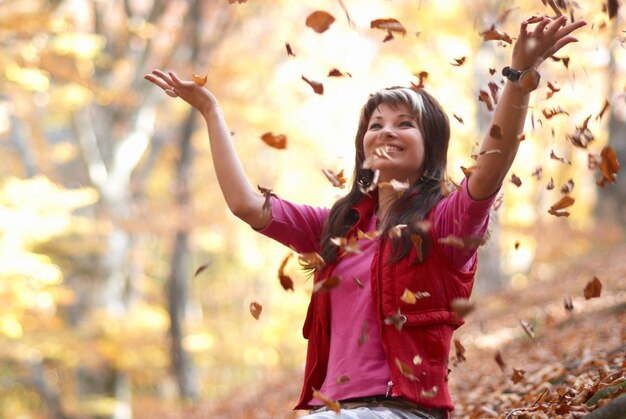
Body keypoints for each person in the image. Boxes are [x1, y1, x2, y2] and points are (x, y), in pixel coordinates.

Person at [145, 15, 585, 419]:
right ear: (362, 146)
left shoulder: (447, 223)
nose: (386, 131)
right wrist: (211, 111)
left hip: (401, 411)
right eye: (375, 124)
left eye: (404, 123)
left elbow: (491, 164)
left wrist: (519, 79)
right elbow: (246, 205)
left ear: (430, 147)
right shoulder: (338, 228)